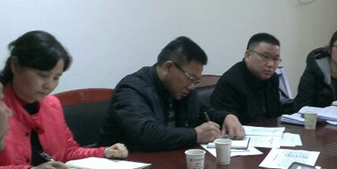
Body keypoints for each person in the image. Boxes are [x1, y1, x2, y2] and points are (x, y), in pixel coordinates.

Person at [0, 30, 128, 169]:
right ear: (15, 65)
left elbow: (68, 152)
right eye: (42, 75)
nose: (49, 85)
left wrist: (104, 152)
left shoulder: (52, 105)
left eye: (56, 77)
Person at [99, 36, 244, 151]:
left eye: (196, 81)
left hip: (167, 162)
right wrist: (195, 135)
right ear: (168, 67)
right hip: (125, 167)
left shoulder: (183, 89)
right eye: (191, 78)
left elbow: (202, 112)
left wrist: (226, 117)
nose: (192, 86)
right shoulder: (131, 89)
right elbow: (146, 134)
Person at [210, 33, 293, 124]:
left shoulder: (272, 78)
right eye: (265, 57)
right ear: (248, 55)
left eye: (275, 59)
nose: (271, 64)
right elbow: (227, 122)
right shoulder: (230, 82)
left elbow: (275, 114)